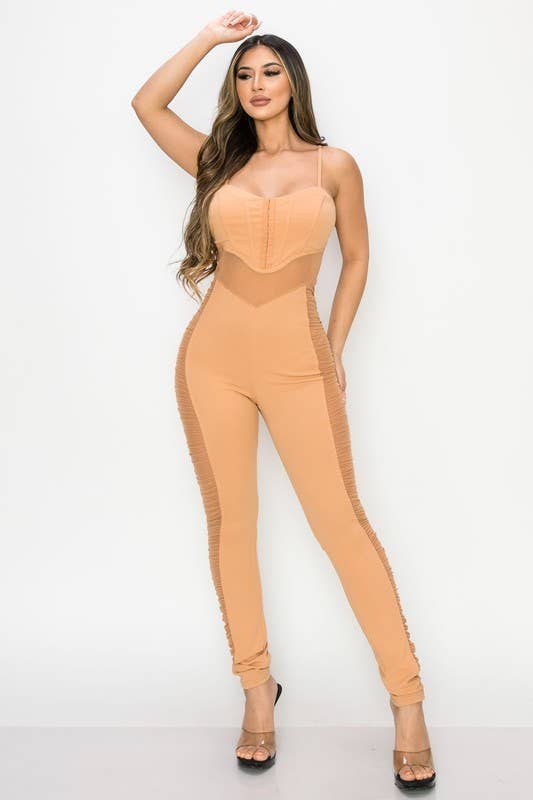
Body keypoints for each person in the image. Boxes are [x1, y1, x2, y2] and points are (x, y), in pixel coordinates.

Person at [131, 10, 436, 789]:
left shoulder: (334, 166)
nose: (256, 84)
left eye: (269, 71)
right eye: (244, 74)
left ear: (293, 82)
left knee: (341, 525)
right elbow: (145, 104)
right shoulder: (216, 161)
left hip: (299, 360)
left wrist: (334, 347)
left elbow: (357, 257)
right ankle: (255, 692)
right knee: (231, 525)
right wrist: (209, 38)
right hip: (212, 360)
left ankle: (406, 702)